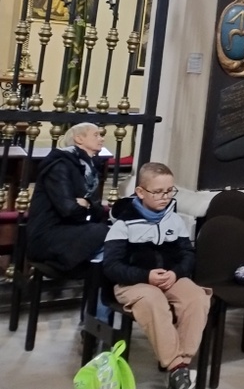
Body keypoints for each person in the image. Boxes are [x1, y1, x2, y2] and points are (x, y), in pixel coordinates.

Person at [103, 162, 211, 389]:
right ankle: (175, 366)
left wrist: (176, 273)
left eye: (170, 191)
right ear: (140, 192)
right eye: (158, 192)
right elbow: (112, 266)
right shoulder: (123, 223)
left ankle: (181, 364)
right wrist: (146, 276)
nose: (165, 197)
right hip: (133, 282)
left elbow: (188, 254)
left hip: (170, 278)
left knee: (197, 298)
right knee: (154, 300)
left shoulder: (174, 219)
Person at [26, 122, 109, 272]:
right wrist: (88, 206)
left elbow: (97, 211)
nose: (101, 139)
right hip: (48, 234)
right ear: (79, 139)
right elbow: (69, 210)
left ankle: (95, 282)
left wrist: (86, 204)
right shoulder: (60, 166)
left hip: (73, 228)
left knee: (114, 236)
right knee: (103, 234)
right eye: (96, 135)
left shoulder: (89, 169)